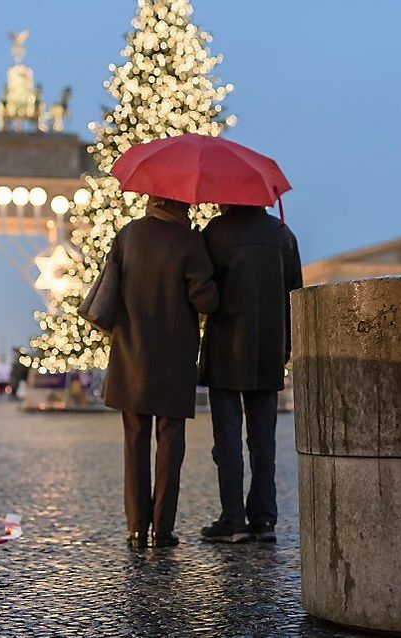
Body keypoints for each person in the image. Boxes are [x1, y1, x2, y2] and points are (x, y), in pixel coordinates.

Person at [102, 196, 218, 549]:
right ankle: (162, 530)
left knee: (134, 442)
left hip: (131, 354)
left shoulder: (128, 234)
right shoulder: (189, 241)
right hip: (173, 357)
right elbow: (206, 301)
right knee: (170, 444)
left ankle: (136, 528)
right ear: (182, 204)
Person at [199, 204, 303, 543]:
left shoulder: (215, 233)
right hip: (269, 347)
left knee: (227, 438)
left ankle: (233, 519)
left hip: (226, 347)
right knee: (263, 439)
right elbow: (295, 295)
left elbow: (205, 294)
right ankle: (264, 519)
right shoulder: (283, 235)